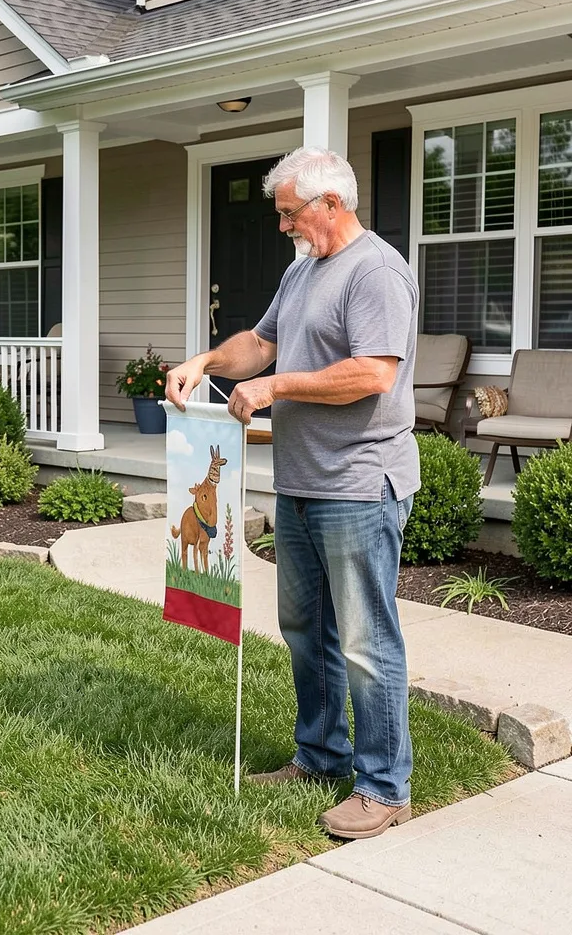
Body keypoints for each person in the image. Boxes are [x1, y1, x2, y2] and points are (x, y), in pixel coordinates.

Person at [165, 147, 419, 841]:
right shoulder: (303, 270)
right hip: (303, 483)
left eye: (288, 213)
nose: (282, 226)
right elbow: (261, 341)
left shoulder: (377, 273)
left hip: (361, 484)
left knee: (367, 640)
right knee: (308, 632)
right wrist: (205, 361)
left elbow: (372, 373)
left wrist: (276, 388)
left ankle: (384, 785)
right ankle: (321, 754)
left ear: (330, 203)